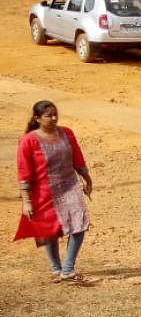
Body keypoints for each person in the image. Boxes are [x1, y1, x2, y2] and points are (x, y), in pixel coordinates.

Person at [15, 100, 92, 284]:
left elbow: (77, 157)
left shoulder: (67, 133)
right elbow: (23, 172)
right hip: (43, 191)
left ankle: (67, 269)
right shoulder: (29, 141)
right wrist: (27, 201)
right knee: (49, 230)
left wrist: (87, 178)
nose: (54, 118)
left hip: (69, 186)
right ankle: (56, 269)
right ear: (37, 119)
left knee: (80, 225)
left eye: (55, 114)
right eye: (49, 115)